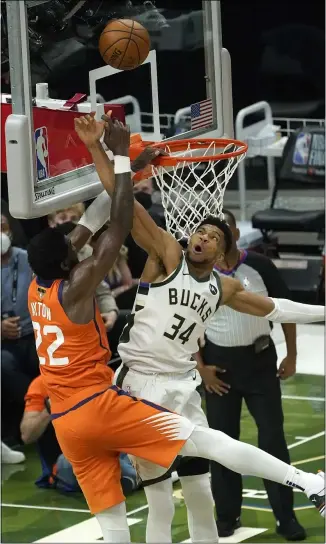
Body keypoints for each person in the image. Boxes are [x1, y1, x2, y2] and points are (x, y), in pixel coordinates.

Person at [27, 114, 324, 544]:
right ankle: (310, 484)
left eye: (213, 237)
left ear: (225, 253)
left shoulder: (226, 287)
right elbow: (120, 211)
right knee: (165, 493)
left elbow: (279, 308)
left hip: (175, 385)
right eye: (199, 232)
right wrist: (113, 157)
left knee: (200, 484)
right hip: (136, 385)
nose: (202, 239)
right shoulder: (168, 255)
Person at [199, 209, 305, 540]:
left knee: (273, 440)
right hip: (219, 368)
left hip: (261, 364)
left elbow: (284, 307)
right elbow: (185, 321)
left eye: (223, 230)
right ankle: (228, 516)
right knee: (222, 444)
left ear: (234, 233)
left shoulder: (259, 265)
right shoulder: (197, 274)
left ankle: (285, 518)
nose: (216, 238)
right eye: (209, 233)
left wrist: (292, 353)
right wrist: (201, 367)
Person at [21, 376, 139, 494]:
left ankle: (127, 474)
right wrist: (50, 407)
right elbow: (27, 435)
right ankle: (131, 474)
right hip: (70, 457)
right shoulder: (42, 384)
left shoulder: (102, 374)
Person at [1, 213, 40, 438]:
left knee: (46, 354)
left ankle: (46, 409)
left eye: (2, 228)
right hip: (4, 343)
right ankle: (35, 408)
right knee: (4, 365)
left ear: (10, 231)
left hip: (34, 333)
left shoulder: (28, 258)